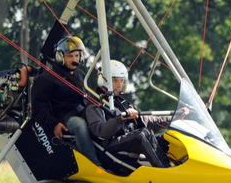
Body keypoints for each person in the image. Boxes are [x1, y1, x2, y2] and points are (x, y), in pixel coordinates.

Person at [85, 60, 188, 168]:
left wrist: (174, 118)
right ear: (104, 81)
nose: (120, 85)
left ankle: (184, 167)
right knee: (142, 134)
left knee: (170, 137)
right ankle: (166, 169)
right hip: (110, 149)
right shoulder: (95, 104)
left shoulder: (122, 101)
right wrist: (121, 118)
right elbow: (100, 131)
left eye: (122, 81)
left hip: (130, 140)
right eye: (115, 81)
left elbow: (147, 120)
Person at [31, 35, 101, 165]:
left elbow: (89, 97)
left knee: (102, 117)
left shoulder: (81, 75)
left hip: (83, 111)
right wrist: (54, 123)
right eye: (70, 56)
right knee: (80, 125)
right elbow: (39, 106)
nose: (75, 59)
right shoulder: (47, 78)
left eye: (77, 55)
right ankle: (94, 164)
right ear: (60, 57)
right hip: (65, 118)